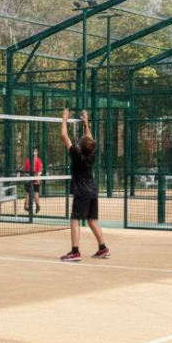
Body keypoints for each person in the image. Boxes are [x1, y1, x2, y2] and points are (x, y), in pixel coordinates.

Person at [59, 108, 108, 261]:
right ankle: (103, 248)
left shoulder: (77, 155)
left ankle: (75, 251)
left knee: (75, 219)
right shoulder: (91, 155)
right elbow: (90, 140)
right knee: (92, 220)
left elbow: (64, 137)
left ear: (81, 145)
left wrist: (64, 119)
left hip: (82, 193)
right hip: (92, 191)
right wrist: (86, 124)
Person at [23, 148, 43, 214]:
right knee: (28, 193)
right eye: (33, 152)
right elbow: (26, 170)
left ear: (37, 152)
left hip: (36, 180)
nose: (34, 153)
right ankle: (27, 207)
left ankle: (37, 206)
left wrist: (34, 174)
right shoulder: (28, 161)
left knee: (36, 193)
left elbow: (39, 171)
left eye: (35, 152)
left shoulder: (38, 161)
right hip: (29, 180)